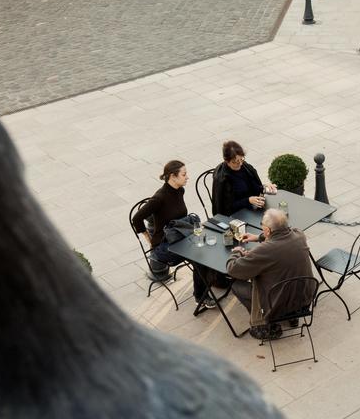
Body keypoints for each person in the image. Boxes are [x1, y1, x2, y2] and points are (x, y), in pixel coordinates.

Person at [131, 160, 212, 306]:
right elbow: (136, 218)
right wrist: (148, 238)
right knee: (200, 257)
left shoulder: (179, 190)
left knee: (207, 248)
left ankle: (213, 283)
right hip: (164, 247)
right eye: (184, 174)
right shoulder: (159, 198)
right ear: (173, 176)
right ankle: (200, 296)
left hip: (180, 237)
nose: (187, 177)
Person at [226, 209, 316, 340]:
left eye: (262, 225)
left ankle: (265, 326)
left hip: (278, 303)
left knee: (236, 285)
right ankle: (293, 317)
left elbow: (233, 269)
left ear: (267, 230)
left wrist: (237, 252)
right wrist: (259, 237)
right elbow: (285, 233)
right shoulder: (300, 236)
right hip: (304, 298)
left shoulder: (265, 250)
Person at [211, 141, 276, 216]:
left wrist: (265, 187)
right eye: (235, 162)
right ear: (227, 161)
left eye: (241, 159)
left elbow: (253, 187)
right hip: (235, 215)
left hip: (250, 209)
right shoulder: (223, 179)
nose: (240, 164)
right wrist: (248, 200)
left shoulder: (245, 167)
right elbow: (226, 207)